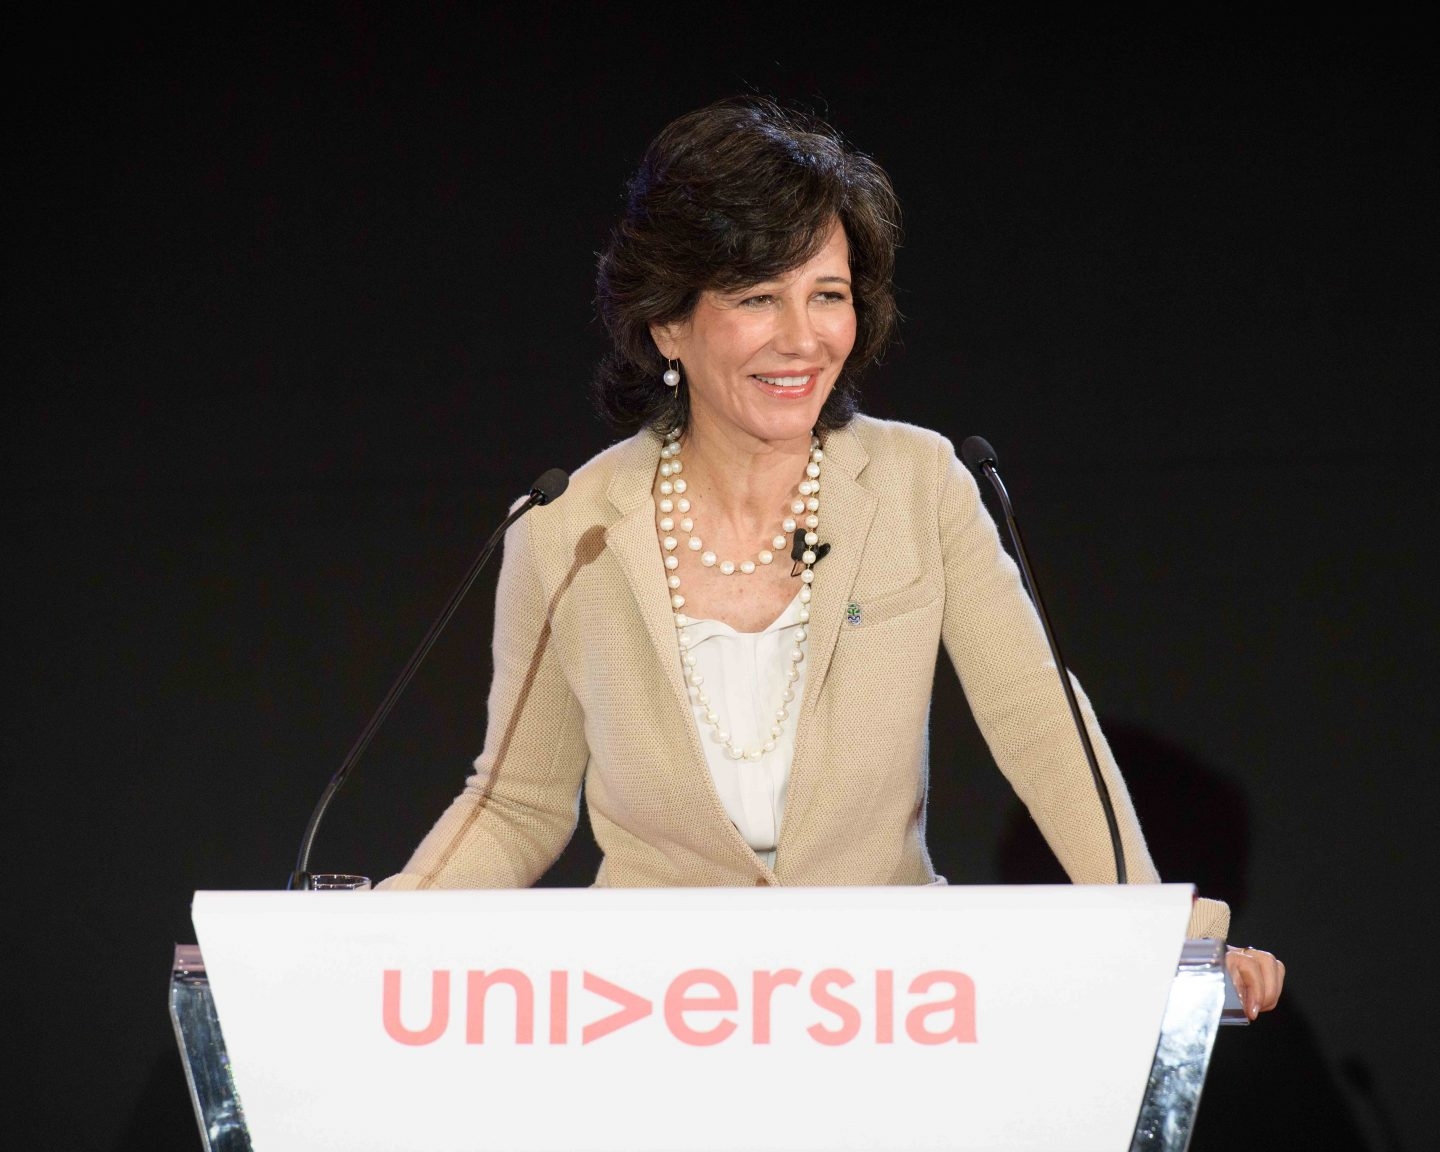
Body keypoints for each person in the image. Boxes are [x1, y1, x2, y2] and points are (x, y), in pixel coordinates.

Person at [378, 97, 1283, 1018]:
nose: (803, 338)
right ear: (667, 323)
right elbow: (516, 803)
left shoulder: (918, 483)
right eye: (757, 298)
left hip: (886, 1008)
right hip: (652, 1012)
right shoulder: (567, 528)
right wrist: (366, 942)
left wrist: (1172, 934)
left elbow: (1039, 726)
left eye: (828, 295)